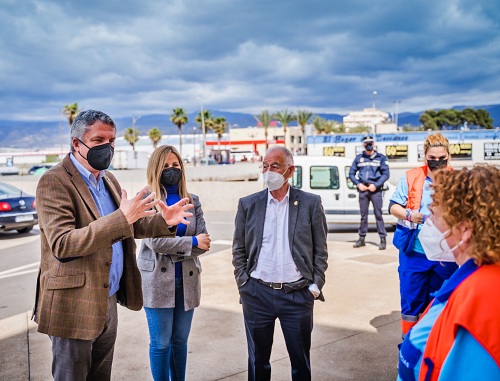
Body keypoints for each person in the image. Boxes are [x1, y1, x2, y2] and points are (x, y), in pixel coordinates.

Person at [32, 110, 193, 381]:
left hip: (108, 299)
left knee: (100, 375)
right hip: (74, 304)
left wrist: (162, 221)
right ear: (76, 144)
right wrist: (122, 217)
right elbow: (62, 244)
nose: (107, 147)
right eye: (98, 140)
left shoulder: (107, 179)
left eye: (112, 140)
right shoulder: (54, 181)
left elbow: (128, 226)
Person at [232, 146, 328, 381]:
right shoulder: (248, 204)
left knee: (300, 363)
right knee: (257, 362)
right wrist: (244, 283)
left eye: (274, 166)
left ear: (290, 170)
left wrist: (314, 286)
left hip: (297, 295)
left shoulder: (310, 203)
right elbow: (239, 249)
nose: (268, 171)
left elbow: (320, 251)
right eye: (264, 166)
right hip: (257, 294)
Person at [397, 164, 500, 381]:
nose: (429, 223)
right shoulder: (470, 278)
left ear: (464, 231)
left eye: (435, 216)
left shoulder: (480, 300)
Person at [138, 145, 211, 381]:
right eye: (166, 166)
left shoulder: (193, 200)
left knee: (180, 342)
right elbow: (156, 242)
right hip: (157, 281)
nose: (172, 170)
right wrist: (190, 241)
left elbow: (205, 242)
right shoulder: (147, 201)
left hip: (187, 280)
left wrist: (188, 244)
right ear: (156, 169)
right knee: (160, 343)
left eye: (176, 165)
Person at [389, 133, 458, 339]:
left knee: (440, 303)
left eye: (442, 158)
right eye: (432, 158)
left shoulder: (457, 180)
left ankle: (435, 350)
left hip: (445, 256)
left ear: (449, 157)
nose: (437, 162)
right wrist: (411, 214)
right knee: (411, 304)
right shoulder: (411, 177)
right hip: (415, 254)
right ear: (424, 156)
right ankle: (408, 350)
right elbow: (394, 207)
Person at [349, 134, 390, 250]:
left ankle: (382, 239)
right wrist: (358, 184)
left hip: (375, 190)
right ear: (363, 144)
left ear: (374, 144)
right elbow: (351, 174)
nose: (368, 145)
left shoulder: (380, 158)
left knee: (378, 215)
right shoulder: (359, 158)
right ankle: (361, 238)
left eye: (370, 143)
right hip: (363, 190)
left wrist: (376, 185)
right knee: (363, 216)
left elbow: (386, 174)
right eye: (366, 143)